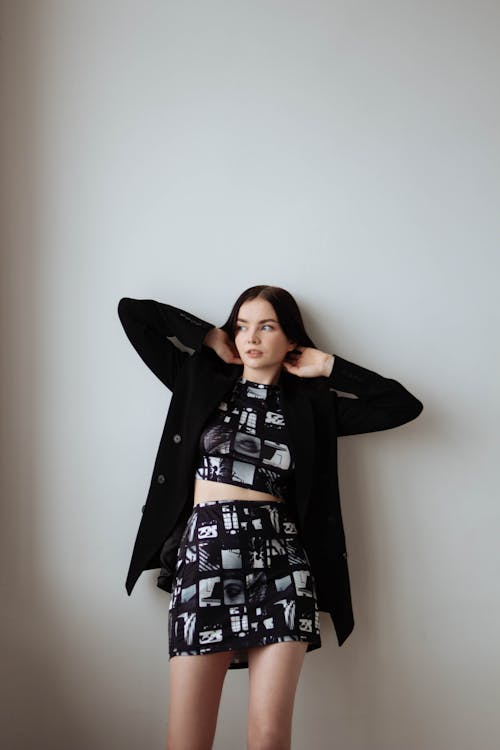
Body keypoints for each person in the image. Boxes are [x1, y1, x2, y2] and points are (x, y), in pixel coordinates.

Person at [117, 285, 423, 750]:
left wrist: (331, 367)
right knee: (187, 739)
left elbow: (402, 405)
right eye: (241, 325)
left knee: (269, 737)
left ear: (291, 338)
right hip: (205, 559)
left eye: (266, 326)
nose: (250, 337)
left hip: (282, 569)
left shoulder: (311, 407)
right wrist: (206, 337)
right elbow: (133, 314)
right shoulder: (199, 381)